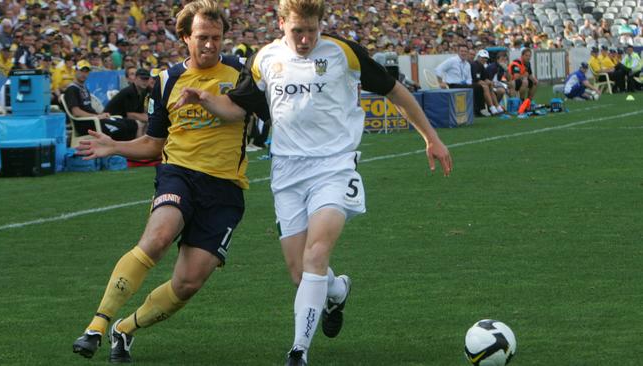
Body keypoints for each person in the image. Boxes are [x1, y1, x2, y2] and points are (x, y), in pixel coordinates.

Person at [173, 0, 453, 364]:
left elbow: (394, 91)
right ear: (280, 23)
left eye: (311, 31)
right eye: (296, 31)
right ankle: (337, 291)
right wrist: (208, 100)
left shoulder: (343, 53)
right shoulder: (264, 60)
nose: (304, 39)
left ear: (321, 23)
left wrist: (430, 137)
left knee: (316, 254)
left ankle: (298, 351)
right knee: (300, 272)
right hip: (287, 173)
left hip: (334, 168)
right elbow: (238, 107)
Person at [71, 0, 260, 363]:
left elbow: (249, 112)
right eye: (202, 37)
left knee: (188, 283)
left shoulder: (240, 72)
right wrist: (115, 145)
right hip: (179, 175)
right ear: (185, 37)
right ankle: (96, 325)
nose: (210, 45)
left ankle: (124, 329)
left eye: (216, 38)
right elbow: (154, 144)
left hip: (225, 189)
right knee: (157, 237)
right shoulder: (167, 80)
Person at [63, 60, 138, 141]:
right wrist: (96, 116)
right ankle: (120, 150)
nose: (84, 74)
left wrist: (101, 114)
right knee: (121, 128)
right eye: (81, 71)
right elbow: (76, 112)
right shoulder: (72, 89)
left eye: (86, 72)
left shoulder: (84, 88)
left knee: (131, 123)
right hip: (85, 124)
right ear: (75, 71)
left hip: (95, 120)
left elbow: (88, 109)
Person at [104, 68, 151, 137]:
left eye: (147, 79)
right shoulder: (129, 91)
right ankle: (139, 146)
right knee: (139, 124)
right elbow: (130, 114)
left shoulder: (143, 92)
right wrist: (149, 118)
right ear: (135, 78)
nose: (144, 82)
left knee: (146, 123)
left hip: (122, 118)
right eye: (142, 79)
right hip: (111, 118)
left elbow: (141, 112)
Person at [471, 49, 503, 115]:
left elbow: (485, 78)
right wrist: (486, 82)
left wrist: (490, 82)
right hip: (472, 83)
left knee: (489, 84)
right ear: (478, 57)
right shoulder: (474, 64)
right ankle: (491, 107)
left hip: (477, 82)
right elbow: (476, 79)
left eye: (486, 58)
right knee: (485, 86)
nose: (484, 59)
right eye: (483, 57)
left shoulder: (482, 66)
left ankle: (496, 106)